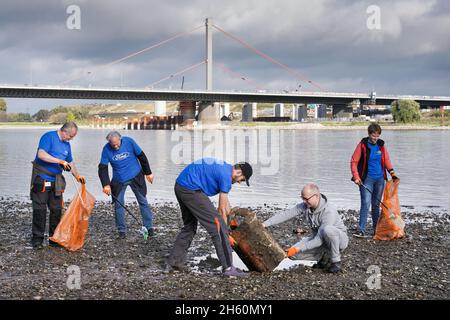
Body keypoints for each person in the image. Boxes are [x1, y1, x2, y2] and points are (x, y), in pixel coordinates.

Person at [166, 158, 253, 277]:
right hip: (191, 189)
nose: (239, 182)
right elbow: (221, 209)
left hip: (180, 186)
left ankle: (175, 262)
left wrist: (232, 223)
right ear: (238, 172)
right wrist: (226, 232)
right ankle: (228, 268)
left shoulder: (225, 169)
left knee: (190, 226)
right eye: (242, 180)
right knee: (218, 227)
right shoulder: (226, 177)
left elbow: (227, 206)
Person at [263, 183, 348, 273]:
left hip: (339, 241)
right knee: (292, 255)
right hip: (320, 240)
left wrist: (298, 248)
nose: (304, 201)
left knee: (328, 230)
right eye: (302, 198)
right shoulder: (306, 205)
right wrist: (265, 224)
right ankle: (324, 256)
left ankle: (336, 262)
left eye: (306, 199)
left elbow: (319, 239)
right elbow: (286, 214)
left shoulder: (328, 211)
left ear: (316, 196)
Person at [30, 122, 85, 249]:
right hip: (42, 178)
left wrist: (77, 176)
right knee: (40, 209)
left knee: (56, 210)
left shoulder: (67, 145)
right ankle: (37, 240)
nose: (71, 139)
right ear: (64, 131)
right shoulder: (48, 137)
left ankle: (53, 238)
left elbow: (70, 161)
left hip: (57, 181)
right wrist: (59, 161)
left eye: (73, 137)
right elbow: (41, 155)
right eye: (71, 136)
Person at [98, 131, 154, 239]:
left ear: (120, 139)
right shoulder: (106, 149)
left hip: (136, 176)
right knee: (119, 205)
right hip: (119, 180)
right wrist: (106, 184)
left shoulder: (129, 142)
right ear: (109, 142)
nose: (115, 146)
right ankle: (121, 231)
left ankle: (149, 227)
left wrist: (148, 173)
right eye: (113, 144)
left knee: (143, 201)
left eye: (117, 143)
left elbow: (142, 156)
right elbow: (102, 168)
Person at [350, 123, 399, 238]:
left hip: (380, 179)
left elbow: (386, 159)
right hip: (366, 180)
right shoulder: (362, 145)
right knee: (366, 204)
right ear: (369, 134)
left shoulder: (381, 145)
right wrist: (356, 177)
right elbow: (354, 162)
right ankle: (361, 229)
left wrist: (392, 173)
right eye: (373, 136)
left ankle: (376, 229)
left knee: (376, 205)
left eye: (377, 136)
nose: (375, 138)